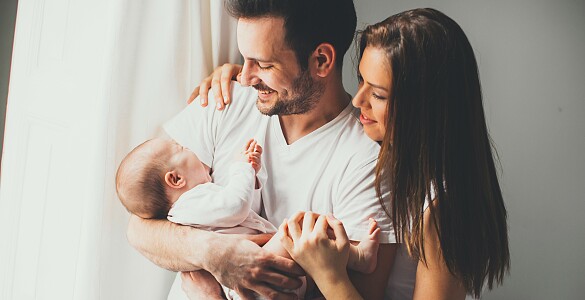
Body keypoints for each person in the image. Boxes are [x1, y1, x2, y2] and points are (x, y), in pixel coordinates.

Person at [198, 7, 510, 300]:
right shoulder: (392, 159)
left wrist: (328, 272)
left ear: (425, 109)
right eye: (361, 80)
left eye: (378, 94)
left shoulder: (442, 208)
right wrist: (258, 74)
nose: (358, 100)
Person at [126, 1, 400, 299]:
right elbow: (139, 228)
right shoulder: (224, 99)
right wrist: (215, 254)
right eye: (245, 60)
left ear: (321, 60)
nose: (244, 77)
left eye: (264, 65)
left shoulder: (367, 162)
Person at [117, 137, 381, 299]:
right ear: (175, 179)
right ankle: (358, 258)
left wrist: (251, 175)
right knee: (300, 228)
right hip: (249, 285)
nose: (192, 149)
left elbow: (244, 214)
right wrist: (241, 168)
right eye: (182, 147)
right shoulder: (189, 205)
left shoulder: (199, 204)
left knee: (310, 255)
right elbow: (236, 207)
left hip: (255, 282)